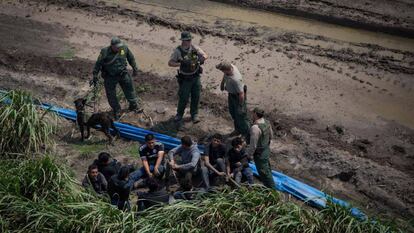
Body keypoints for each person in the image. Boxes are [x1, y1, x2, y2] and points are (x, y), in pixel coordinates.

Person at [91, 36, 141, 120]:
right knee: (111, 95)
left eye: (120, 46)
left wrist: (135, 68)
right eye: (117, 47)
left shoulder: (124, 48)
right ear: (112, 46)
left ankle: (134, 105)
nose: (119, 48)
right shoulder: (104, 52)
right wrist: (95, 75)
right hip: (110, 76)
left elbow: (131, 58)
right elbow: (98, 64)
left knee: (130, 89)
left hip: (123, 74)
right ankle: (117, 109)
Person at [168, 31, 208, 124]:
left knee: (196, 96)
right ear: (183, 41)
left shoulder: (194, 48)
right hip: (185, 79)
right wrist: (181, 63)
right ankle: (179, 114)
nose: (189, 41)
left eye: (190, 39)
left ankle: (194, 114)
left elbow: (205, 55)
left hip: (195, 77)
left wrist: (199, 60)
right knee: (183, 98)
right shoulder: (178, 51)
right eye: (187, 40)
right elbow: (170, 63)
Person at [216, 61, 249, 138]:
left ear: (226, 70)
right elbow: (225, 75)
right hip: (231, 95)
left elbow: (241, 94)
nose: (222, 72)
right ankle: (237, 130)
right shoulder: (230, 67)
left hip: (238, 97)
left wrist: (241, 105)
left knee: (241, 116)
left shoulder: (236, 79)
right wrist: (222, 83)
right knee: (233, 113)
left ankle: (246, 133)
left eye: (222, 70)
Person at [246, 108, 275, 188]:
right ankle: (269, 186)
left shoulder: (255, 128)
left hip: (260, 154)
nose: (252, 115)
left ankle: (272, 190)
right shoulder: (267, 122)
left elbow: (253, 146)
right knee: (267, 169)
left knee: (264, 172)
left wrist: (249, 156)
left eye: (253, 113)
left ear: (255, 114)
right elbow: (271, 136)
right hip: (266, 150)